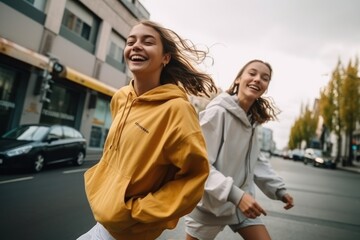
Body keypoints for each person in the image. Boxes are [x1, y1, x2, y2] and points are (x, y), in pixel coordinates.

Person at [77, 20, 217, 240]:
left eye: (148, 41)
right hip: (103, 223)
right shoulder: (121, 97)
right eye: (130, 41)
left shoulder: (178, 110)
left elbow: (194, 178)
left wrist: (139, 210)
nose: (136, 46)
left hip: (130, 234)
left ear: (165, 58)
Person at [185, 59, 294, 240]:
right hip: (212, 205)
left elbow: (255, 161)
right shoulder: (218, 112)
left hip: (241, 205)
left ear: (266, 87)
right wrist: (235, 195)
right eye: (252, 73)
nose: (258, 79)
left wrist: (279, 190)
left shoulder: (251, 121)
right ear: (238, 79)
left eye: (264, 78)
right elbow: (198, 164)